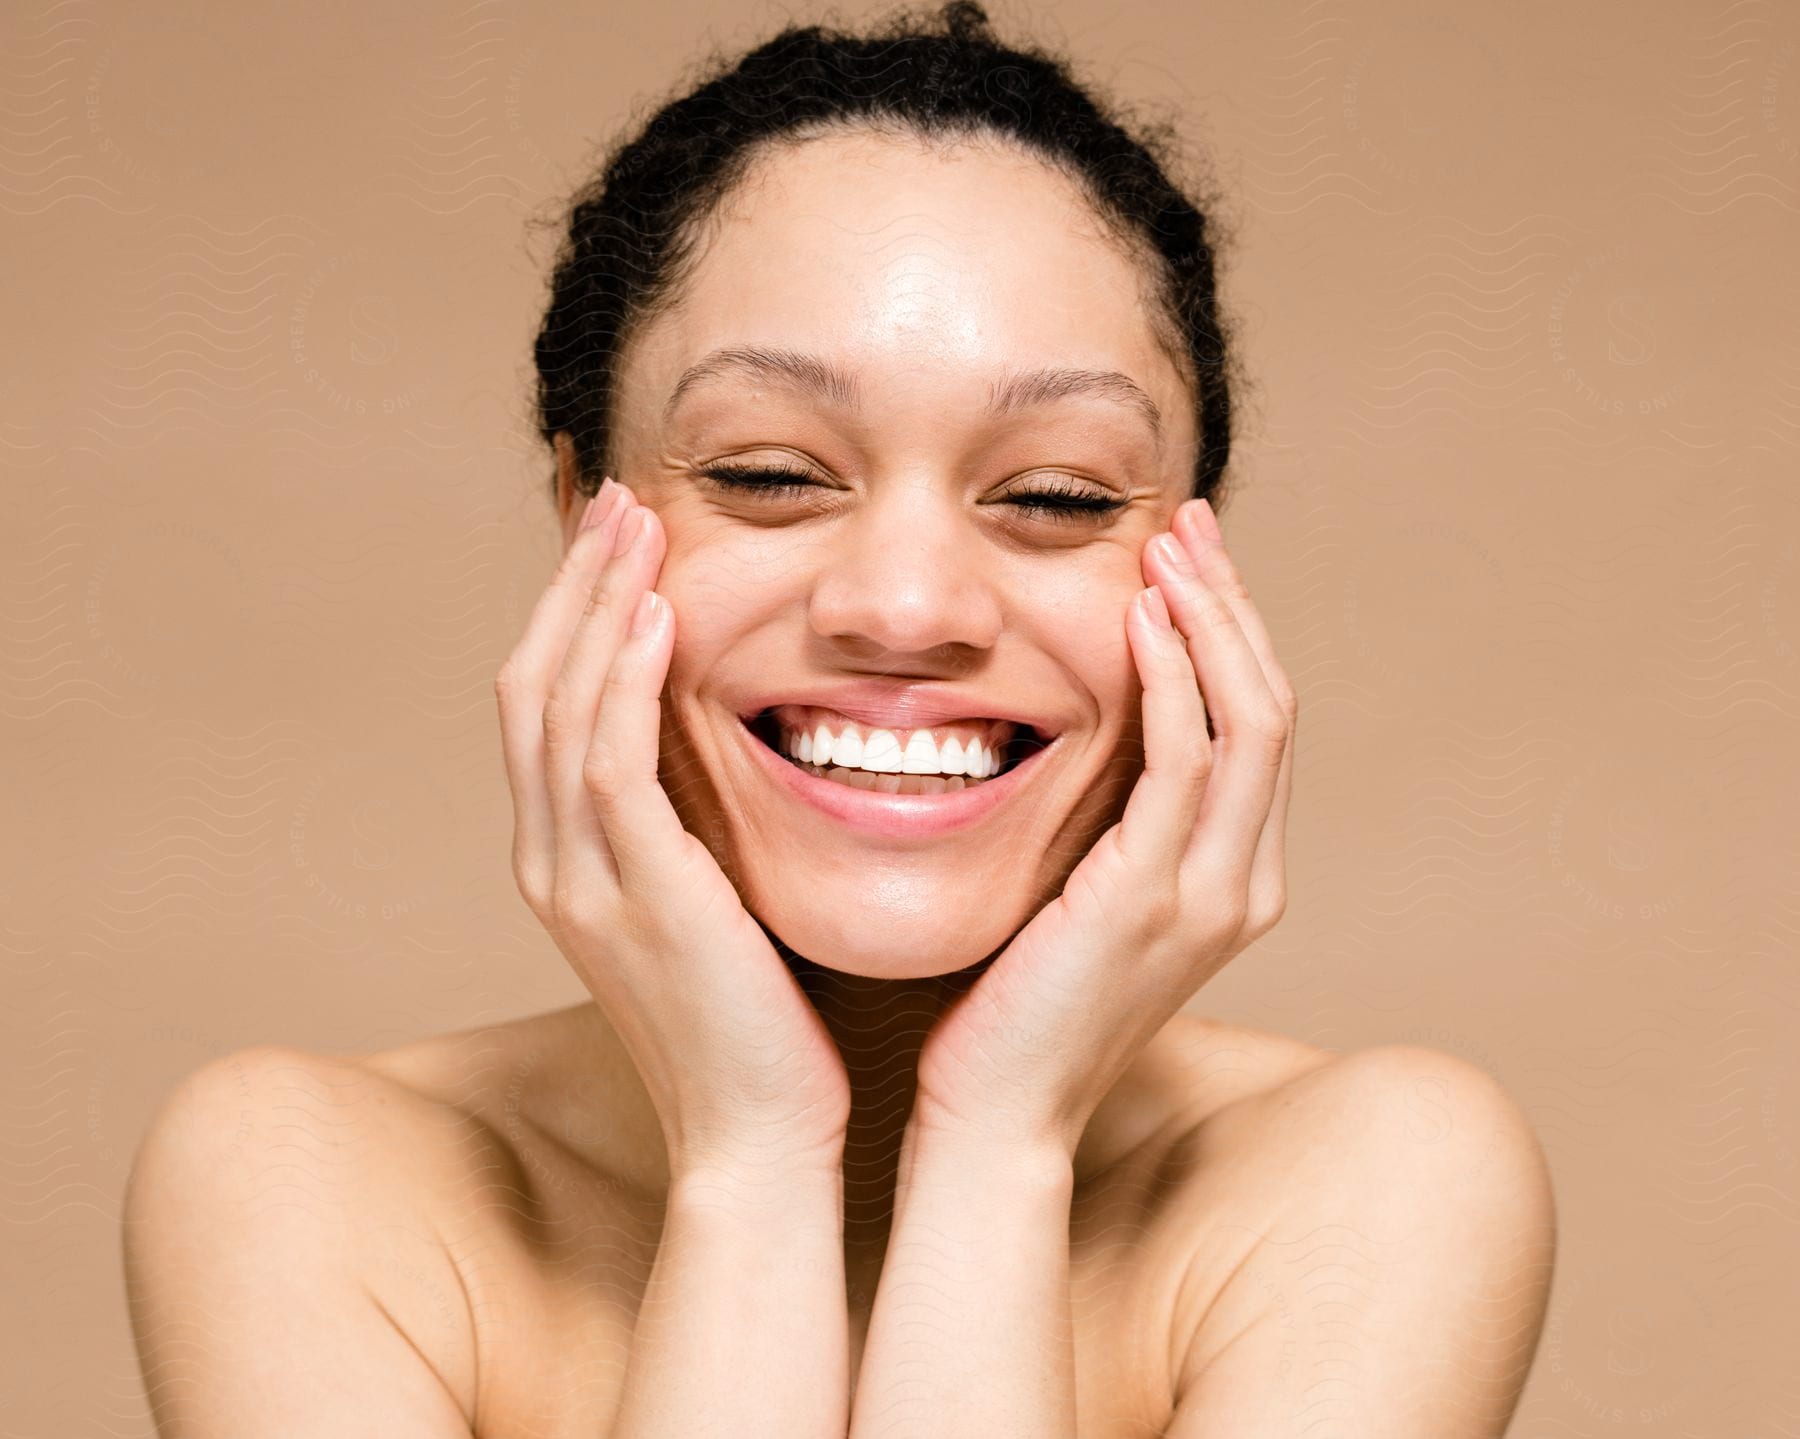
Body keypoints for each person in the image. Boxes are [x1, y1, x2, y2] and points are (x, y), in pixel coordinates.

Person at [121, 3, 1557, 1434]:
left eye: (1054, 495)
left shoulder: (1374, 1178)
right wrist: (749, 1157)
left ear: (1196, 572)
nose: (907, 604)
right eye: (767, 473)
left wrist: (997, 1143)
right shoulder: (309, 1183)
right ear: (582, 515)